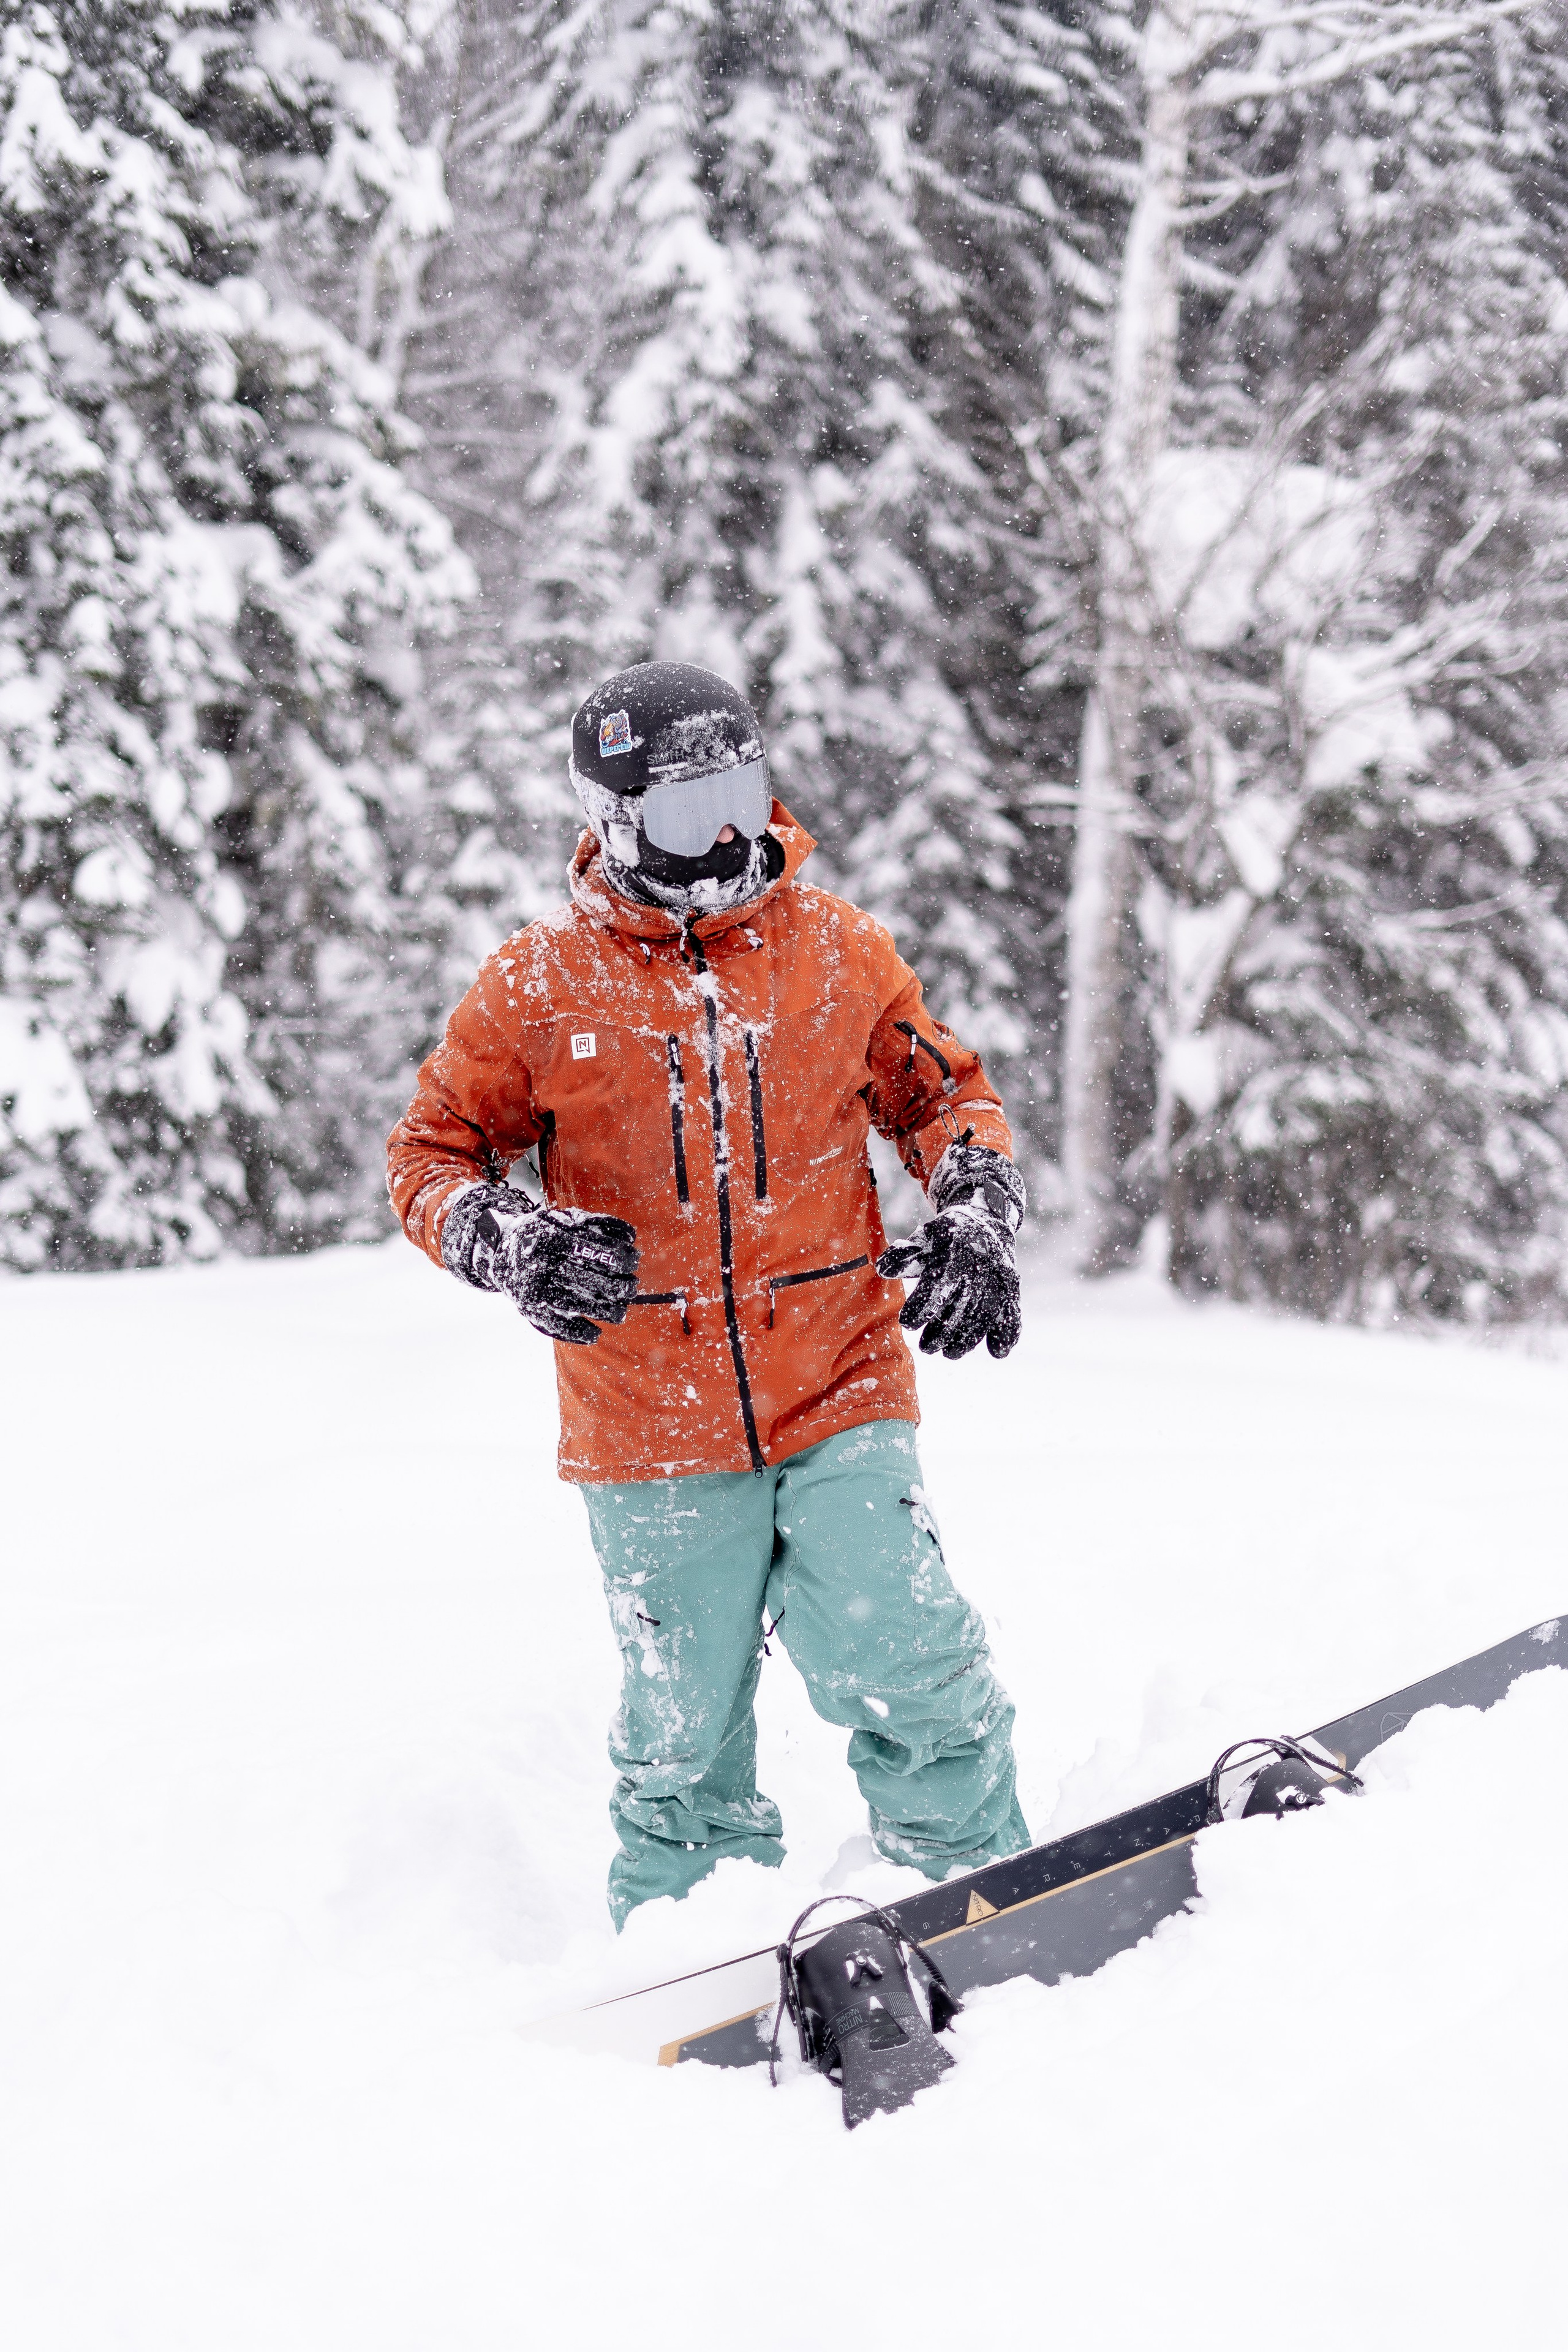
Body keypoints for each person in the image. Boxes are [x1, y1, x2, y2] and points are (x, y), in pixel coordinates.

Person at [387, 662, 1031, 1924]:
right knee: (683, 1732)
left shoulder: (836, 953)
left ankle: (971, 1884)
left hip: (838, 1380)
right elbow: (429, 1156)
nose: (729, 837)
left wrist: (976, 1211)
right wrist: (510, 1240)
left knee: (909, 1652)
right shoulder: (537, 988)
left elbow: (945, 1096)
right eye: (688, 814)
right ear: (615, 819)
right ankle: (697, 1946)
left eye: (741, 794)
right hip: (648, 1421)